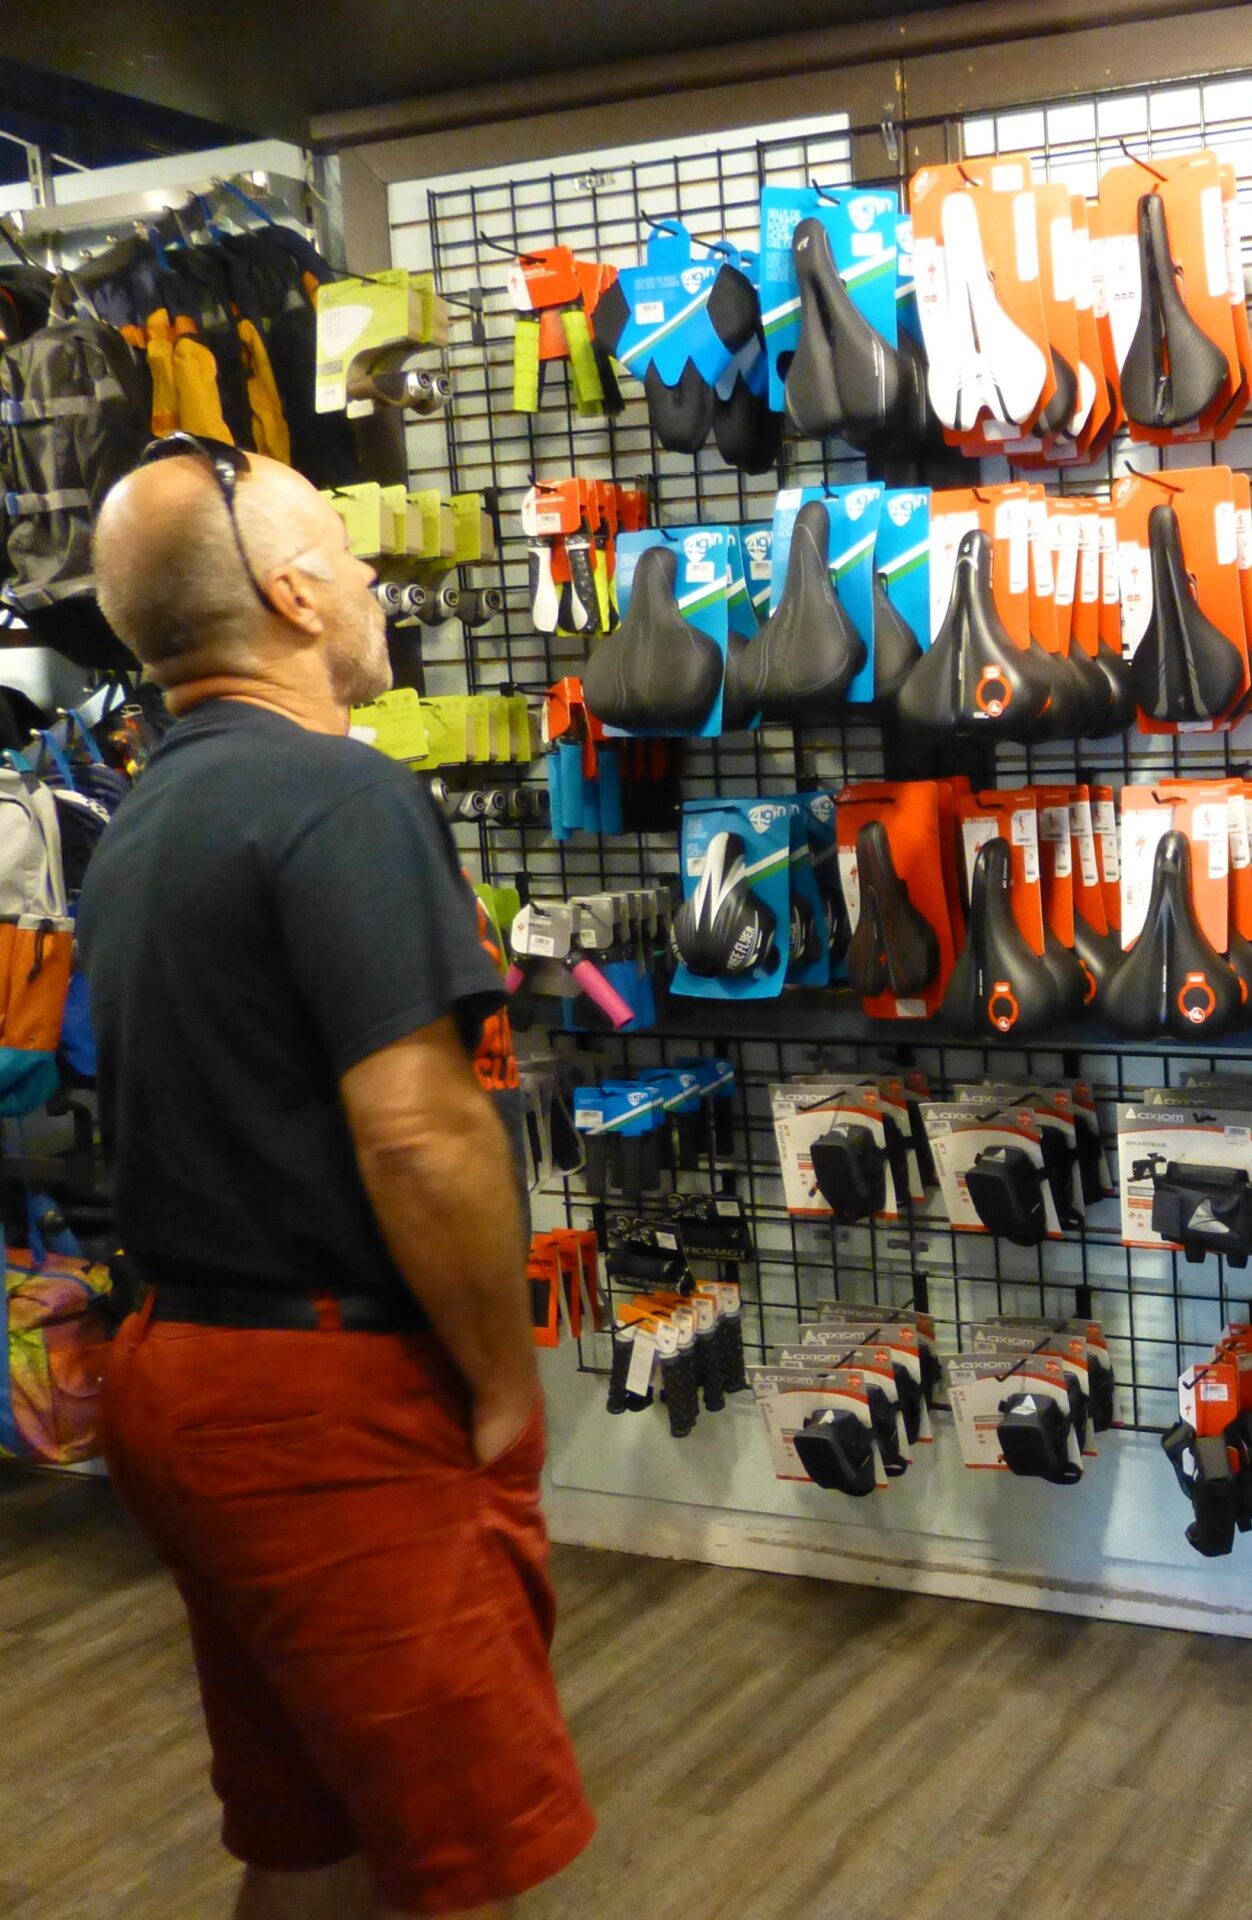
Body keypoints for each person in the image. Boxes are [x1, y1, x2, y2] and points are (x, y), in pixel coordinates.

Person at [77, 437, 593, 1920]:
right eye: (353, 561)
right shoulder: (341, 799)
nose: (375, 583)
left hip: (180, 1372)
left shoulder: (147, 820)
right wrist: (501, 1382)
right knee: (465, 1860)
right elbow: (421, 1132)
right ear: (296, 594)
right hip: (320, 1400)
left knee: (309, 1835)